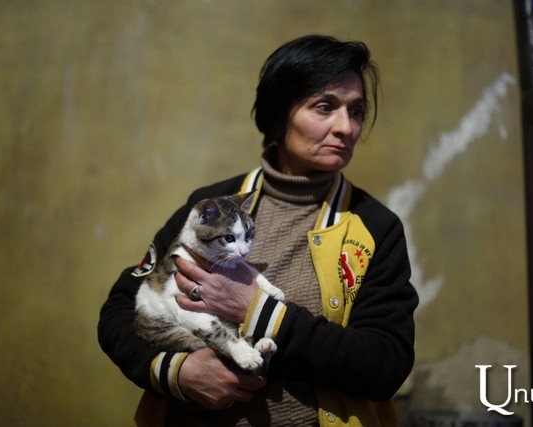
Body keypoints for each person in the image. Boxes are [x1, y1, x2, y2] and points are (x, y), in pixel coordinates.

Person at [98, 34, 418, 427]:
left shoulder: (374, 226)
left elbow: (386, 364)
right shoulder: (212, 207)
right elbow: (121, 309)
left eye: (356, 111)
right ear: (280, 116)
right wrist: (177, 373)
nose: (346, 127)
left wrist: (258, 311)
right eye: (324, 107)